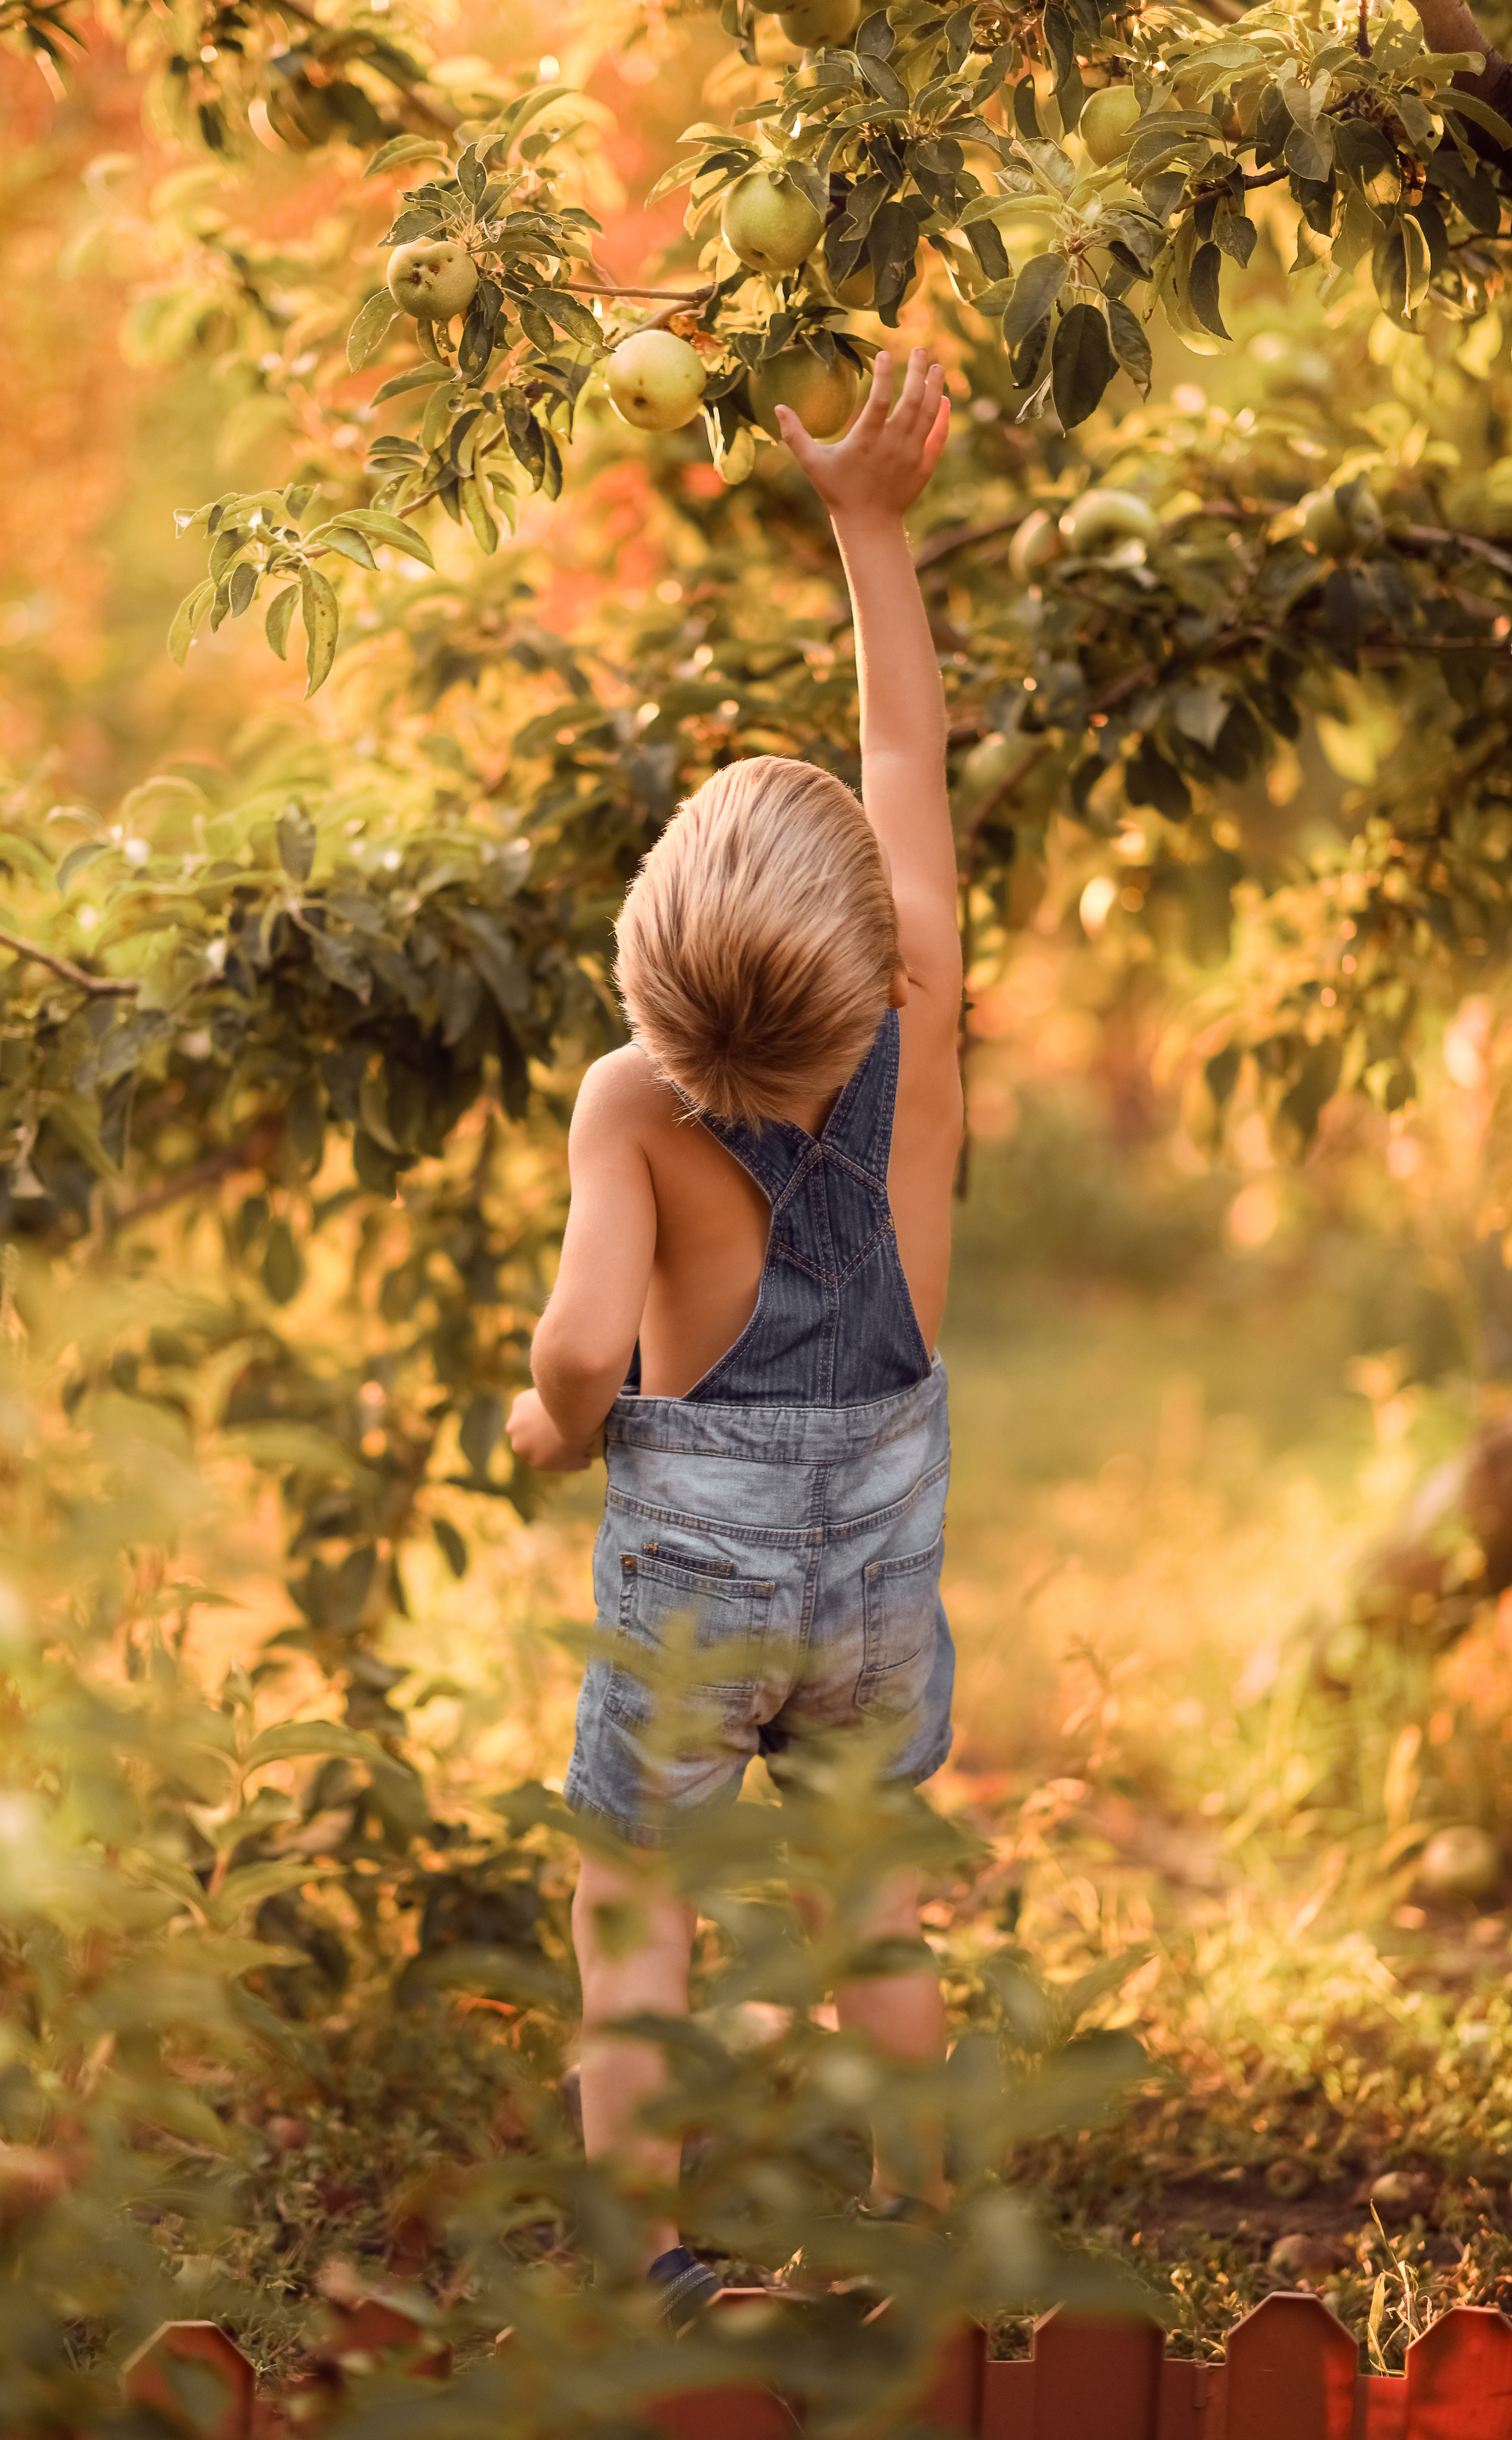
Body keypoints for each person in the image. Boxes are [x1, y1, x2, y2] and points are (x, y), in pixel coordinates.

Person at [506, 347, 962, 2322]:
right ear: (865, 971)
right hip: (875, 1568)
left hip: (692, 1590)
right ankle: (925, 2238)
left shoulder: (633, 1102)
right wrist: (870, 526)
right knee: (874, 1897)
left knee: (640, 1910)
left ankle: (651, 2270)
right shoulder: (920, 1024)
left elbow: (583, 1355)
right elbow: (907, 771)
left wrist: (544, 1429)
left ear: (650, 967)